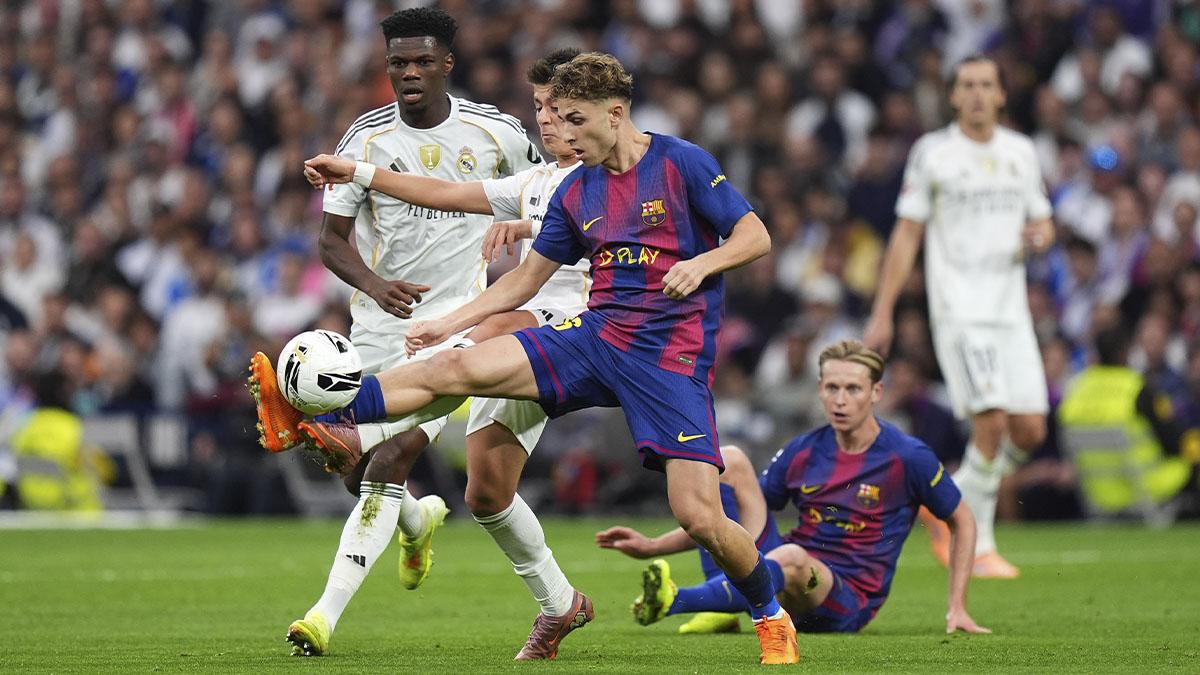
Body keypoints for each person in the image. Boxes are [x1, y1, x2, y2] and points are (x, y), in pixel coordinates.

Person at [254, 52, 798, 665]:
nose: (560, 134)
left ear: (614, 115)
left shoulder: (682, 163)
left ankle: (770, 614)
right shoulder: (576, 190)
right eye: (553, 117)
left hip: (668, 360)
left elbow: (755, 235)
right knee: (458, 364)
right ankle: (320, 414)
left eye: (572, 120)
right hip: (595, 339)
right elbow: (523, 282)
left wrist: (701, 264)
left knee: (698, 515)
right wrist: (450, 324)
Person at [246, 8, 543, 657]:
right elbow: (330, 241)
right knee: (355, 466)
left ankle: (321, 617)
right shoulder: (365, 138)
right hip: (375, 330)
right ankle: (417, 514)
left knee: (387, 456)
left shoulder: (499, 132)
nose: (408, 73)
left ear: (447, 64)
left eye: (421, 62)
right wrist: (377, 286)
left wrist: (527, 265)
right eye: (398, 63)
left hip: (455, 328)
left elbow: (551, 195)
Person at [299, 47, 596, 661]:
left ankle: (353, 423)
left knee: (485, 338)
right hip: (516, 323)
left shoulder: (622, 175)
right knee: (486, 495)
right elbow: (447, 193)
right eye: (540, 107)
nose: (546, 122)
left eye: (560, 111)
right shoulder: (537, 181)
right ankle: (562, 605)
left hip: (585, 331)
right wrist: (359, 173)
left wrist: (460, 319)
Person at [597, 340, 989, 636]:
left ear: (876, 393)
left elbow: (963, 520)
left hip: (845, 598)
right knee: (728, 461)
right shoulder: (805, 451)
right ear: (819, 389)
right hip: (788, 567)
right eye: (832, 387)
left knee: (794, 557)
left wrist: (958, 606)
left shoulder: (907, 456)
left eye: (853, 389)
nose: (840, 400)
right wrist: (652, 545)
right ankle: (724, 599)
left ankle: (681, 599)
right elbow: (722, 519)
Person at [864, 55, 1056, 578]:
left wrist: (1042, 236)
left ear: (1000, 94)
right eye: (966, 84)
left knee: (1031, 431)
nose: (976, 94)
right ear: (952, 96)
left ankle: (942, 499)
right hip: (960, 310)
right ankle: (979, 541)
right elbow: (907, 234)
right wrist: (883, 309)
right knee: (990, 420)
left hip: (1010, 311)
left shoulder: (1021, 152)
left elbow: (1043, 220)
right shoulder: (934, 154)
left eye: (986, 85)